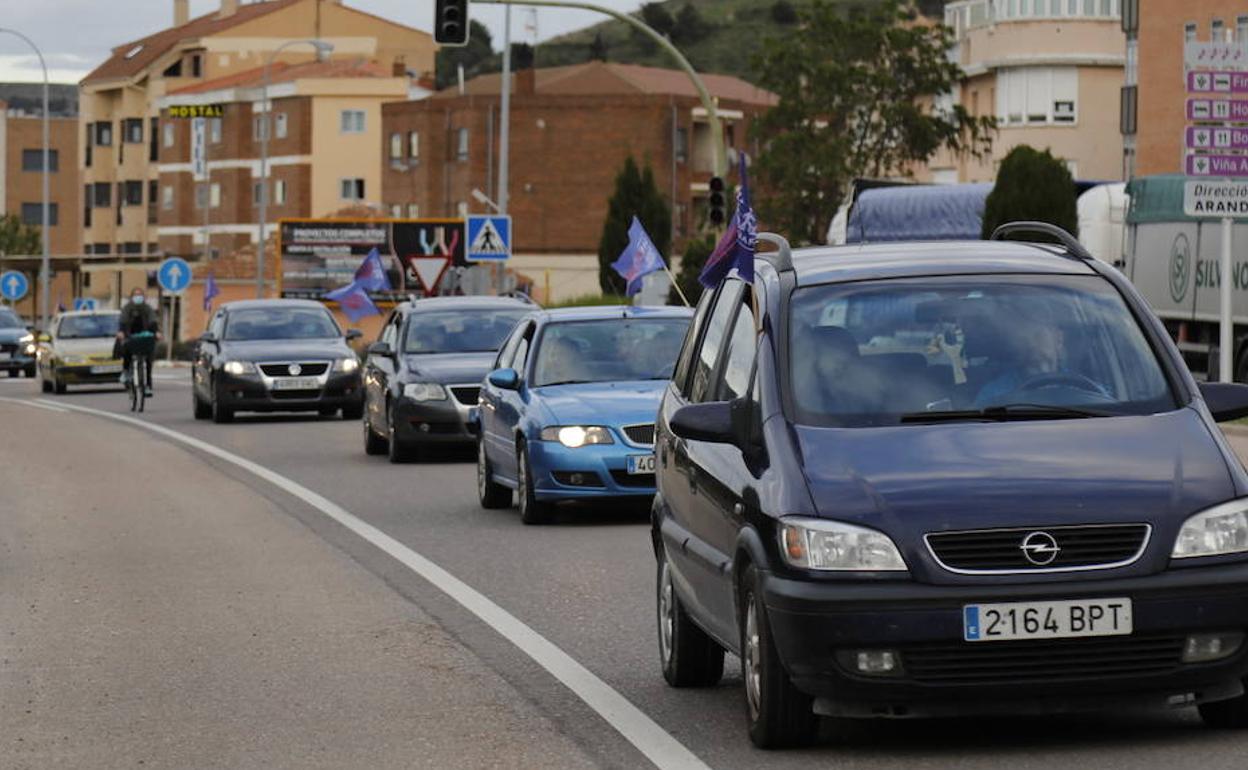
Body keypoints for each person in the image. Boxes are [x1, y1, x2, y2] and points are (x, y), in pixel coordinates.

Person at [116, 288, 160, 397]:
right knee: (127, 350)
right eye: (136, 295)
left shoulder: (147, 308)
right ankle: (126, 372)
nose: (138, 297)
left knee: (148, 361)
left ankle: (148, 386)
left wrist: (156, 332)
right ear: (132, 297)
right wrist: (121, 332)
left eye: (140, 295)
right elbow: (123, 321)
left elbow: (153, 320)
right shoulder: (127, 308)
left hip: (145, 336)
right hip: (130, 335)